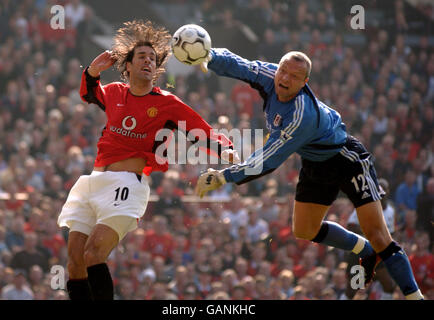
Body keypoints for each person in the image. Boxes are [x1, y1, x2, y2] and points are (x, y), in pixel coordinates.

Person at [193, 47, 424, 299]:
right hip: (316, 163)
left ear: (305, 83)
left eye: (294, 76)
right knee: (304, 230)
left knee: (379, 235)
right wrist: (210, 57)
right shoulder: (271, 76)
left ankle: (415, 296)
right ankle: (365, 250)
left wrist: (223, 177)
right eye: (283, 71)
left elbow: (268, 159)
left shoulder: (302, 115)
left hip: (347, 160)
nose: (284, 78)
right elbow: (242, 65)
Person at [57, 20, 235, 301]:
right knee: (75, 262)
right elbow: (89, 93)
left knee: (93, 254)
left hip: (126, 185)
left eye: (152, 58)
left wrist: (225, 149)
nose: (148, 61)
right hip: (92, 181)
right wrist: (92, 72)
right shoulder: (115, 91)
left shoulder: (167, 103)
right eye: (141, 56)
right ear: (127, 66)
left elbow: (200, 130)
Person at [344, 179, 396, 299]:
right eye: (378, 189)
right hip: (362, 252)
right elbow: (350, 226)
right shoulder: (365, 206)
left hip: (379, 253)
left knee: (389, 285)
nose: (381, 192)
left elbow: (391, 232)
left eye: (384, 189)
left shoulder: (390, 211)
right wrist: (371, 231)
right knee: (353, 289)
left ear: (388, 191)